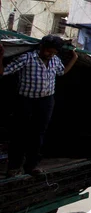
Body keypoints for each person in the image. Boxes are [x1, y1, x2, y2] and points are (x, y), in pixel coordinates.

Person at [0, 35, 78, 177]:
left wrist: (74, 58)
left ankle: (31, 166)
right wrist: (0, 56)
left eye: (54, 52)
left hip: (46, 101)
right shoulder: (27, 58)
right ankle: (13, 167)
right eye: (49, 51)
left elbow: (62, 72)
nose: (50, 55)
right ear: (42, 47)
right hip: (25, 100)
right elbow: (3, 72)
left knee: (38, 135)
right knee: (19, 134)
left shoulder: (55, 60)